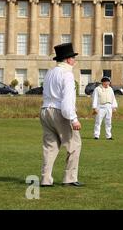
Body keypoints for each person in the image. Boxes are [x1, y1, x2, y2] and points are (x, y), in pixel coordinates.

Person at [40, 43, 83, 187]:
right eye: (73, 58)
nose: (74, 60)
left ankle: (46, 179)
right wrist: (74, 119)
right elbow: (67, 100)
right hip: (60, 112)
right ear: (67, 60)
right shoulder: (67, 74)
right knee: (74, 144)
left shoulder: (50, 73)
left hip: (45, 110)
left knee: (50, 147)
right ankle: (69, 178)